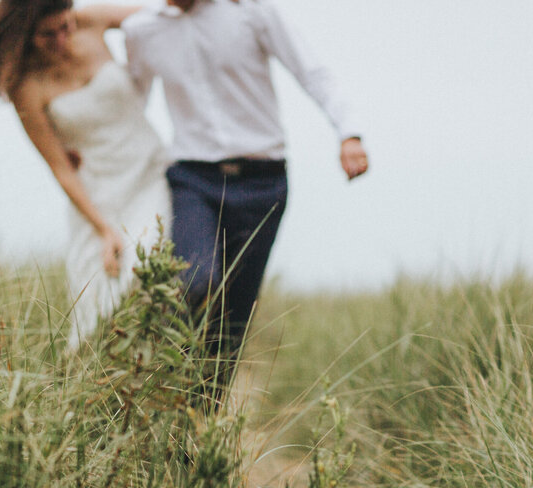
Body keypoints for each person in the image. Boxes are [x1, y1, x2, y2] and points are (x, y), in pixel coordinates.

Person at [122, 0, 369, 393]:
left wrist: (349, 133)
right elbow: (131, 102)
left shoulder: (251, 12)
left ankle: (198, 425)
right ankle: (159, 379)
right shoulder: (142, 31)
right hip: (192, 179)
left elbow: (312, 71)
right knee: (194, 280)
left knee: (232, 319)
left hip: (262, 184)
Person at [0, 1, 169, 350]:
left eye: (65, 26)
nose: (62, 38)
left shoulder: (91, 19)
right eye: (48, 34)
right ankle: (91, 398)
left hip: (149, 175)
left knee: (147, 271)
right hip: (96, 197)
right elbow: (60, 169)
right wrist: (103, 229)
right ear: (24, 34)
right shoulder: (25, 85)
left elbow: (163, 20)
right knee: (98, 313)